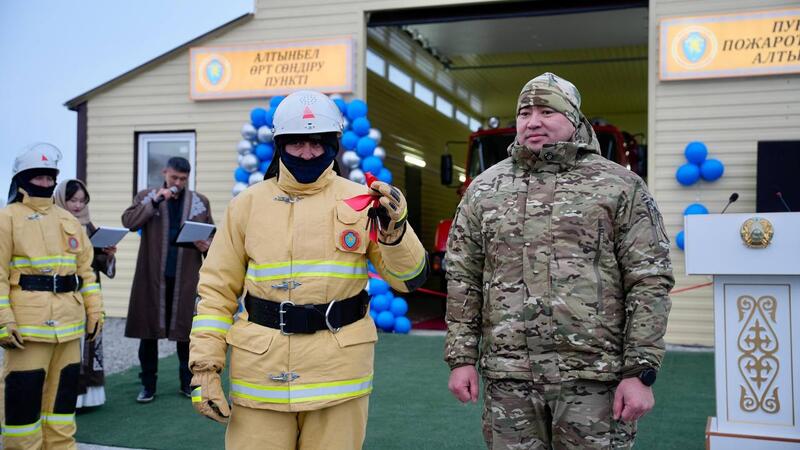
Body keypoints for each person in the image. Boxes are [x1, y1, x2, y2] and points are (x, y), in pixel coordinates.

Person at [444, 73, 674, 449]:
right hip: (510, 378)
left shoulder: (619, 187)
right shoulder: (484, 190)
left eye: (546, 110)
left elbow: (649, 280)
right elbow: (463, 278)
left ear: (574, 118)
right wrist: (461, 359)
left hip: (593, 379)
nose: (533, 121)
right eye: (524, 112)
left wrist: (640, 371)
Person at [189, 90, 428, 449]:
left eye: (317, 144)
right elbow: (215, 293)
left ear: (333, 144)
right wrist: (205, 370)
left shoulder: (364, 202)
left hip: (339, 377)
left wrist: (396, 233)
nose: (307, 153)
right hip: (260, 377)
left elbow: (409, 279)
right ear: (280, 144)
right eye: (296, 143)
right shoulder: (246, 206)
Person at [0, 143, 104, 450]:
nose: (45, 183)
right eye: (38, 177)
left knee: (61, 408)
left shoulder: (69, 220)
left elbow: (86, 272)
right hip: (27, 329)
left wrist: (95, 312)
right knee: (22, 405)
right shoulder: (8, 219)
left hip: (69, 328)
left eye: (49, 178)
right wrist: (4, 320)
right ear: (22, 180)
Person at [121, 156, 213, 403]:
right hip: (152, 277)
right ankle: (148, 385)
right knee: (148, 334)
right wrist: (156, 199)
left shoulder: (200, 202)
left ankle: (187, 383)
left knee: (186, 333)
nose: (178, 183)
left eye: (183, 179)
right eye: (174, 177)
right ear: (165, 173)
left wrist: (207, 245)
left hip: (185, 277)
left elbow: (212, 240)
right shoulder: (147, 196)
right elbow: (129, 222)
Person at [54, 179, 116, 408]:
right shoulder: (53, 225)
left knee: (90, 340)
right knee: (71, 345)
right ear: (62, 199)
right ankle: (68, 396)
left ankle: (89, 397)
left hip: (89, 291)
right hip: (64, 293)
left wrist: (108, 254)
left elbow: (98, 263)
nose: (78, 206)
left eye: (82, 201)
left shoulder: (89, 226)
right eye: (73, 200)